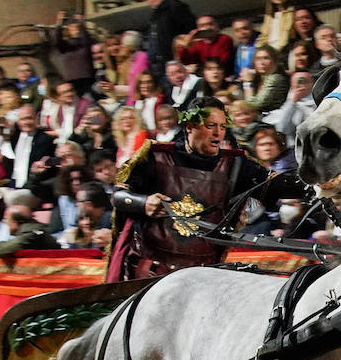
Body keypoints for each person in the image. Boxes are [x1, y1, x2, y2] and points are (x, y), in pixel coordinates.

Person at [106, 96, 309, 281]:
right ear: (190, 127)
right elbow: (118, 196)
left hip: (203, 274)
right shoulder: (155, 156)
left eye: (222, 127)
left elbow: (276, 186)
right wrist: (144, 203)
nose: (218, 133)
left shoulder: (236, 165)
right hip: (150, 269)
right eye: (211, 125)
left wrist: (319, 182)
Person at [142, 0, 195, 80]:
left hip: (172, 63)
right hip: (157, 66)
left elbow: (188, 30)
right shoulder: (154, 14)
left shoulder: (175, 7)